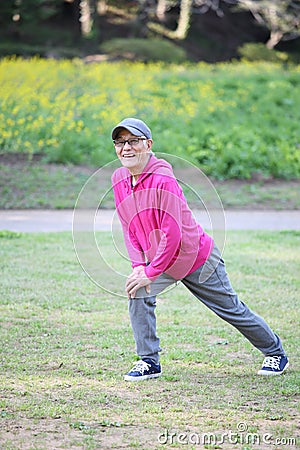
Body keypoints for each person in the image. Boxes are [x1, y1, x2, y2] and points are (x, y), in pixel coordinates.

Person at [111, 117, 289, 381]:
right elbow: (129, 225)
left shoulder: (163, 179)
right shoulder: (119, 178)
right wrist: (139, 266)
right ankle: (149, 361)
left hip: (196, 258)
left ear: (148, 145)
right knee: (137, 292)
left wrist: (152, 271)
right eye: (120, 142)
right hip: (162, 260)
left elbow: (173, 233)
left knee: (230, 309)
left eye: (133, 141)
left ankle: (275, 352)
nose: (126, 148)